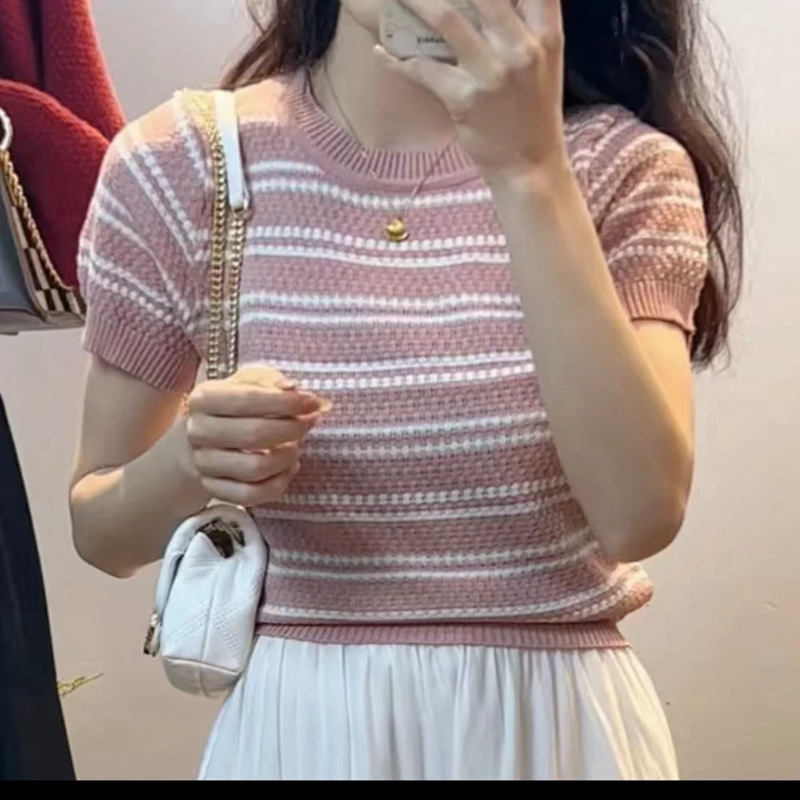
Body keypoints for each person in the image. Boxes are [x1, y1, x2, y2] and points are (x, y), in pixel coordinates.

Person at [69, 0, 742, 781]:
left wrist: (529, 172)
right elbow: (99, 530)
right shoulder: (184, 163)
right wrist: (189, 462)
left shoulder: (621, 167)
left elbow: (639, 513)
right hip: (305, 735)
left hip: (556, 733)